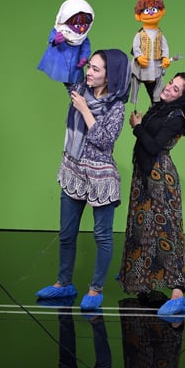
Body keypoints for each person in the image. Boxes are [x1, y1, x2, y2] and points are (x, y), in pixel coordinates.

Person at [36, 49, 132, 310]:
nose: (89, 72)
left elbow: (104, 141)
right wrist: (67, 42)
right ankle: (63, 283)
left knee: (102, 236)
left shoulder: (116, 108)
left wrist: (85, 110)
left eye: (96, 69)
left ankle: (95, 289)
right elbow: (64, 67)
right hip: (74, 170)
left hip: (101, 176)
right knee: (67, 233)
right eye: (89, 66)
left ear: (110, 76)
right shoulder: (79, 88)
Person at [118, 73, 185, 317]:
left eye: (176, 89)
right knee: (142, 227)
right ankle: (142, 278)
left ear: (182, 97)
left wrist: (137, 127)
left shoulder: (177, 117)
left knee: (166, 231)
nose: (169, 88)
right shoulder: (161, 108)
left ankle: (178, 293)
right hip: (144, 174)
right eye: (171, 83)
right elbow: (151, 83)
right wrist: (147, 63)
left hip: (160, 177)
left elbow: (154, 146)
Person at [36, 0, 94, 85]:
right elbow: (51, 41)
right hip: (60, 63)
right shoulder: (60, 30)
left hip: (75, 65)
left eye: (85, 25)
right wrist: (55, 41)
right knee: (64, 79)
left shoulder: (82, 36)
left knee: (75, 83)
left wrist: (83, 57)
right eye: (78, 26)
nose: (82, 29)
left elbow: (85, 47)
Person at [129, 0, 171, 106]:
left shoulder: (160, 34)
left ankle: (156, 102)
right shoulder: (140, 33)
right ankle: (136, 100)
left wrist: (165, 58)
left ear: (162, 11)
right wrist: (139, 56)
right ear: (138, 16)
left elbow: (165, 47)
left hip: (156, 65)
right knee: (138, 80)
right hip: (143, 66)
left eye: (154, 10)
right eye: (147, 11)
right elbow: (135, 46)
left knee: (156, 86)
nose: (151, 14)